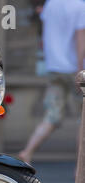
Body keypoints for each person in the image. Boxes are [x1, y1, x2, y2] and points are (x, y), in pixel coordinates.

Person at [18, 0, 85, 164]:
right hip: (74, 69)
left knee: (52, 116)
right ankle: (80, 169)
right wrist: (79, 69)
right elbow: (80, 38)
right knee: (83, 121)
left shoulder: (50, 4)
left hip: (54, 67)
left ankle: (27, 151)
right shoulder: (79, 6)